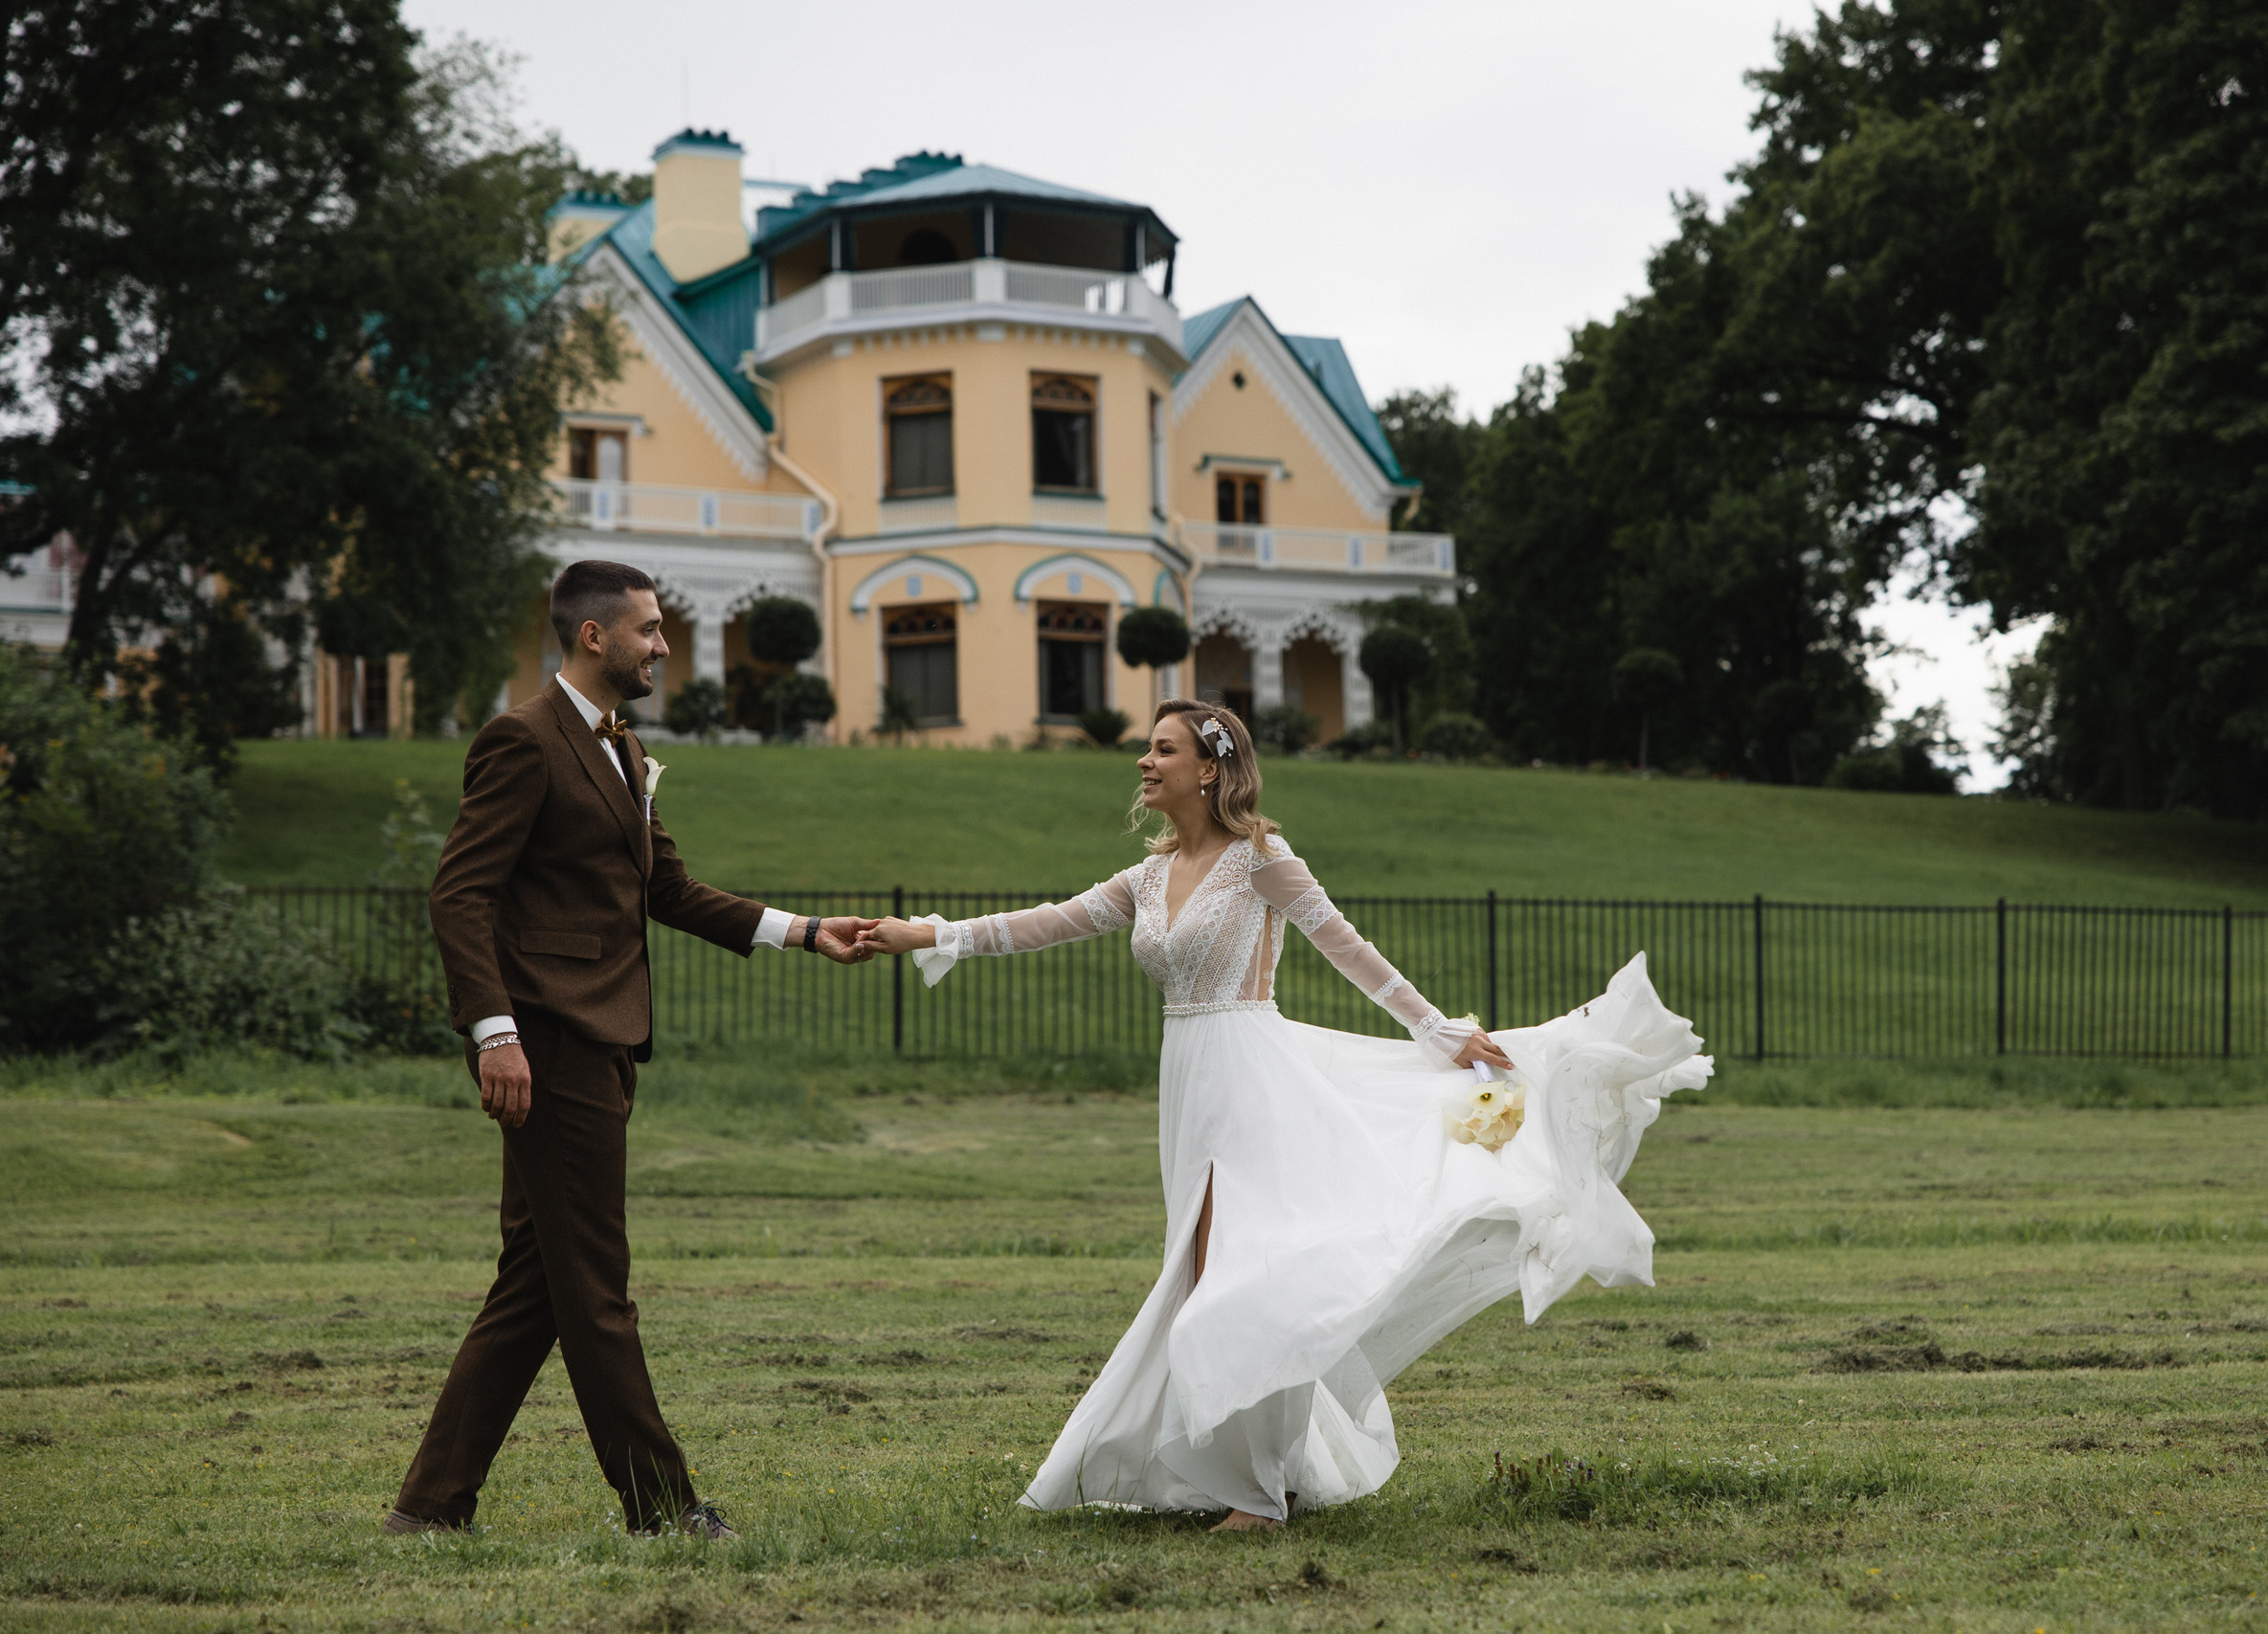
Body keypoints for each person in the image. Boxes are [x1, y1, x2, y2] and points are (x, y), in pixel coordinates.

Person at [859, 699, 1711, 1532]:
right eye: (1146, 750)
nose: (1145, 762)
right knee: (1204, 1271)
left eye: (1163, 749)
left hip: (1254, 1073)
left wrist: (1437, 1028)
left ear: (1210, 767)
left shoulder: (1261, 856)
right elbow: (1043, 923)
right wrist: (928, 935)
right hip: (1187, 1081)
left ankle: (1258, 1492)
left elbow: (1344, 943)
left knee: (1243, 1272)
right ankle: (1260, 1475)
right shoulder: (1148, 874)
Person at [386, 560, 877, 1539]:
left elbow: (671, 890)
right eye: (649, 629)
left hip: (603, 1041)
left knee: (538, 1284)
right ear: (593, 637)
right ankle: (662, 1507)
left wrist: (802, 929)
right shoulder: (522, 741)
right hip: (551, 1043)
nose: (664, 645)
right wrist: (496, 1034)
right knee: (595, 1289)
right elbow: (460, 893)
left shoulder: (621, 745)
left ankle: (432, 1509)